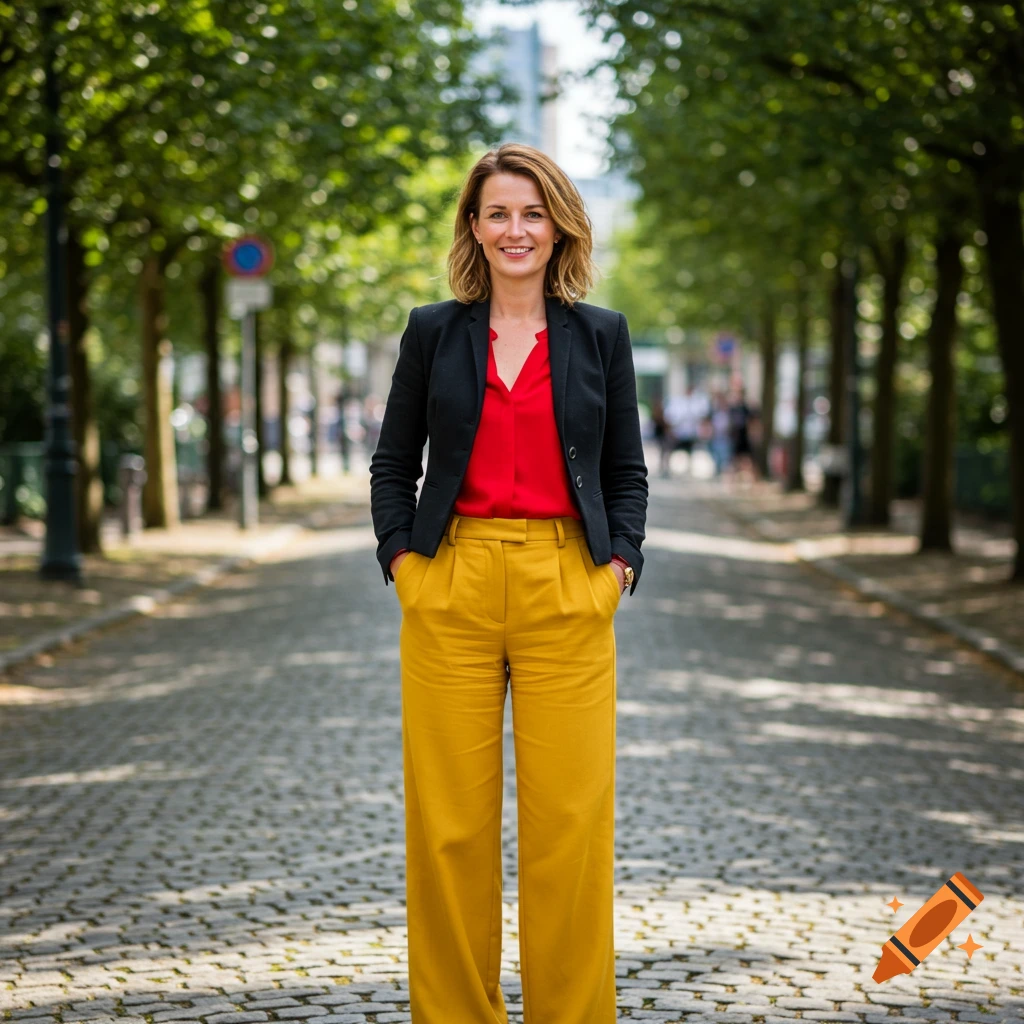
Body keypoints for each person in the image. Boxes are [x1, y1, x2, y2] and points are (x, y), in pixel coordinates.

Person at [369, 143, 648, 1023]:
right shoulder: (432, 331)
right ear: (475, 228)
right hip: (448, 580)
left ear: (559, 222)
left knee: (569, 825)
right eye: (498, 213)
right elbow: (391, 463)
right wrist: (404, 565)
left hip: (568, 584)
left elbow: (626, 471)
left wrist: (616, 571)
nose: (515, 229)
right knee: (449, 828)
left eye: (532, 212)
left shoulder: (601, 334)